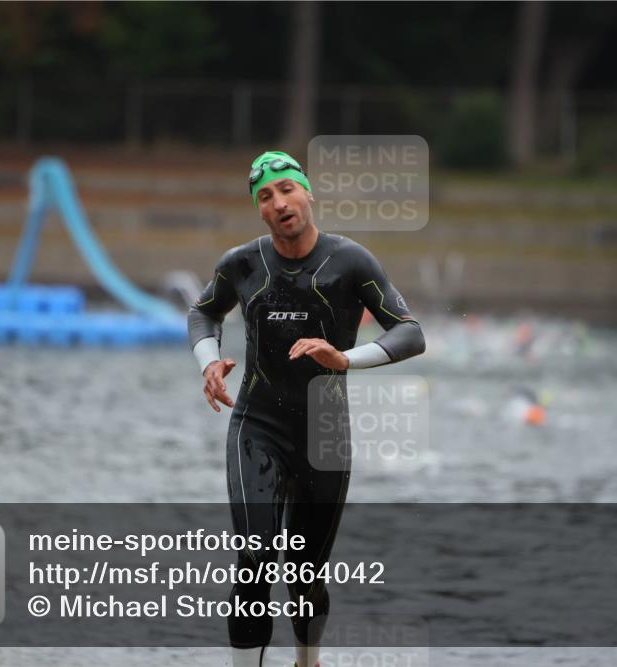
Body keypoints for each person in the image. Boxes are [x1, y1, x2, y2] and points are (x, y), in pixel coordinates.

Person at [188, 151, 426, 667]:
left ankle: (307, 660)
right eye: (266, 197)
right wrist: (208, 361)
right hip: (259, 424)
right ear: (260, 210)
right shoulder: (242, 264)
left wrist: (344, 358)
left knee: (304, 574)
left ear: (308, 193)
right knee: (254, 561)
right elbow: (203, 312)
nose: (280, 203)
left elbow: (410, 333)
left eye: (287, 190)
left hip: (325, 430)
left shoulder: (351, 262)